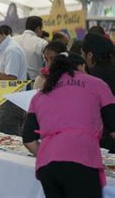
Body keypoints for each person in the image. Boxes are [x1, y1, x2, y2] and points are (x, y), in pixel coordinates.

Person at [22, 53, 115, 198]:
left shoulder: (41, 94)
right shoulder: (97, 84)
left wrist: (52, 153)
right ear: (82, 66)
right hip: (82, 161)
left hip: (48, 167)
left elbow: (28, 139)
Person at [82, 33, 115, 152]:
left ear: (90, 55)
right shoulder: (111, 69)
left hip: (104, 137)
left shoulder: (92, 78)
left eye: (82, 53)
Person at [13, 16, 48, 80]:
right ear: (38, 29)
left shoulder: (13, 40)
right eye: (42, 29)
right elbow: (48, 64)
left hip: (14, 84)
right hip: (34, 84)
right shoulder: (42, 43)